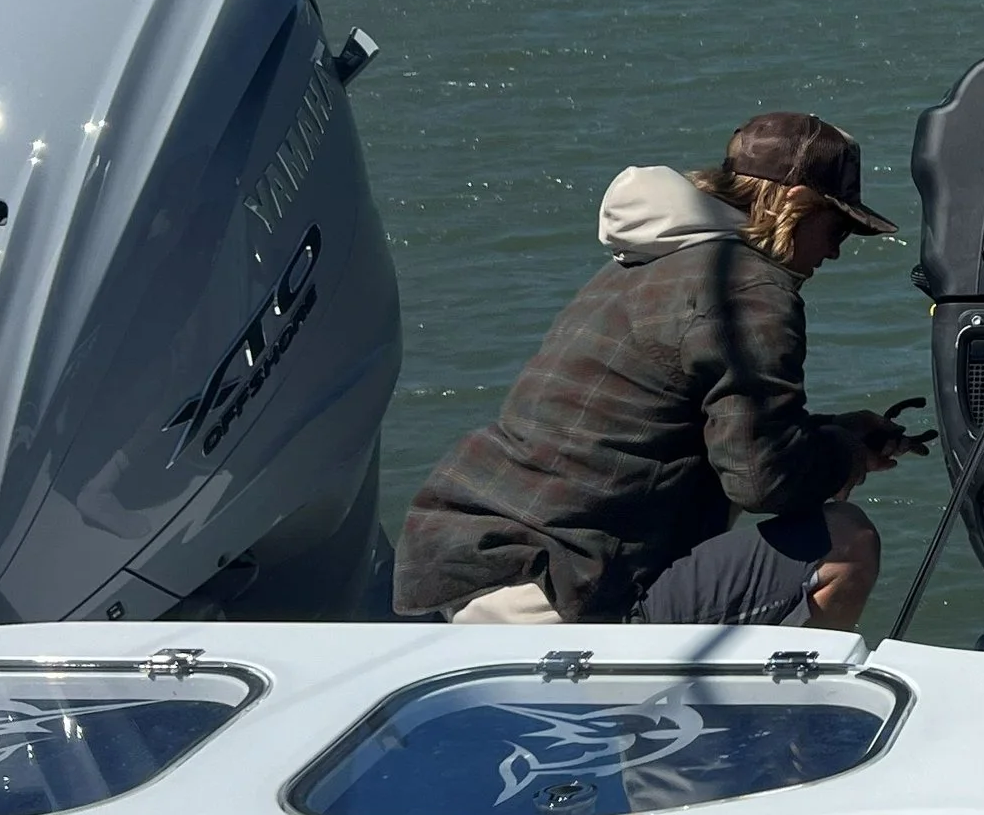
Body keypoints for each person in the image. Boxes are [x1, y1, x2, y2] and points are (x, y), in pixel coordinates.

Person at [394, 112, 920, 630]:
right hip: (566, 596)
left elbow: (681, 425)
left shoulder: (641, 265)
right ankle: (783, 713)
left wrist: (833, 433)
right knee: (846, 544)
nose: (835, 251)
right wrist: (846, 454)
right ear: (796, 206)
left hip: (473, 564)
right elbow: (763, 481)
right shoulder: (750, 289)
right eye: (838, 229)